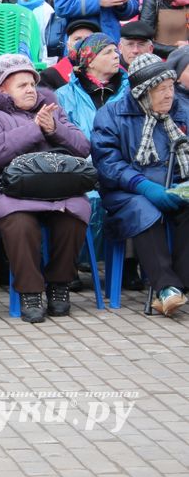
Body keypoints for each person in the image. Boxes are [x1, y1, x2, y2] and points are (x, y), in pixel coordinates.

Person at [0, 54, 91, 323]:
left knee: (75, 212)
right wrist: (35, 130)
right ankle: (30, 291)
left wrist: (55, 129)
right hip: (7, 188)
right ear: (2, 89)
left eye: (32, 84)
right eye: (21, 85)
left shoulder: (51, 111)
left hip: (55, 187)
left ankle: (59, 284)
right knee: (19, 221)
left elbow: (83, 147)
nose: (30, 90)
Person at [92, 53, 189, 317]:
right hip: (127, 190)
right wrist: (144, 185)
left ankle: (180, 284)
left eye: (171, 87)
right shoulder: (111, 114)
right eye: (161, 89)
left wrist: (183, 187)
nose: (170, 95)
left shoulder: (181, 111)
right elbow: (108, 163)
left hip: (173, 184)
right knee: (145, 209)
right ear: (143, 92)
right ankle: (167, 287)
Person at [56, 33, 129, 139]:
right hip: (80, 155)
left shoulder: (129, 91)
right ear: (90, 62)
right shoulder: (64, 96)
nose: (116, 55)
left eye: (115, 51)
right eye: (108, 52)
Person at [38, 19, 101, 90]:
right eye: (77, 39)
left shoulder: (109, 73)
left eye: (89, 39)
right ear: (68, 45)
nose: (83, 43)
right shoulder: (49, 76)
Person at [16, 0, 55, 64]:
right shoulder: (14, 9)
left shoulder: (47, 10)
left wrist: (45, 65)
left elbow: (50, 42)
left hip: (41, 61)